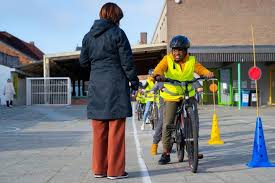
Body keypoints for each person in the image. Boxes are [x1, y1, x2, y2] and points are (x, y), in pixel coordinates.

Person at [79, 2, 139, 180]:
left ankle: (99, 170)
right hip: (116, 86)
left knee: (99, 130)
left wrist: (97, 66)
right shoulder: (118, 33)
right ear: (115, 17)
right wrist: (134, 82)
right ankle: (115, 171)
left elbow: (83, 62)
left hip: (97, 85)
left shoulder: (88, 36)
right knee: (116, 130)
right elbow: (127, 62)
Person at [152, 35, 214, 165]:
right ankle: (166, 152)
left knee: (194, 121)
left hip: (188, 94)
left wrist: (207, 73)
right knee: (168, 124)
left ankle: (193, 149)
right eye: (174, 50)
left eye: (180, 50)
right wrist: (157, 75)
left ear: (185, 51)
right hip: (172, 96)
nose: (176, 53)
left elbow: (200, 68)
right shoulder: (167, 59)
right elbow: (159, 69)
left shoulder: (191, 60)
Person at [150, 80, 203, 156]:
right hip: (167, 97)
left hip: (183, 95)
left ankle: (193, 148)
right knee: (164, 120)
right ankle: (156, 144)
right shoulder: (166, 70)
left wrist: (198, 86)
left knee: (193, 119)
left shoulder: (185, 70)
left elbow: (190, 77)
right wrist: (160, 87)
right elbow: (160, 78)